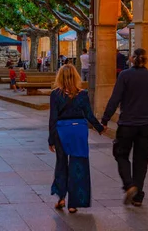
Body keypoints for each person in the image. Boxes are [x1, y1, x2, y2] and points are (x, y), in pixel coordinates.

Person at [102, 48, 148, 207]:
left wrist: (105, 118)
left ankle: (129, 185)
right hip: (145, 125)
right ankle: (138, 196)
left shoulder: (124, 76)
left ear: (131, 58)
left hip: (127, 124)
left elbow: (115, 98)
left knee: (121, 155)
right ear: (146, 60)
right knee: (141, 160)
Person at [49, 64, 104, 213]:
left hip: (62, 131)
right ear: (76, 77)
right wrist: (99, 127)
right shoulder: (83, 94)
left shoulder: (55, 95)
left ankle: (61, 197)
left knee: (61, 164)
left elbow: (53, 117)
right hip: (79, 131)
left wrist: (51, 139)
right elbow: (89, 114)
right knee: (78, 165)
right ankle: (74, 203)